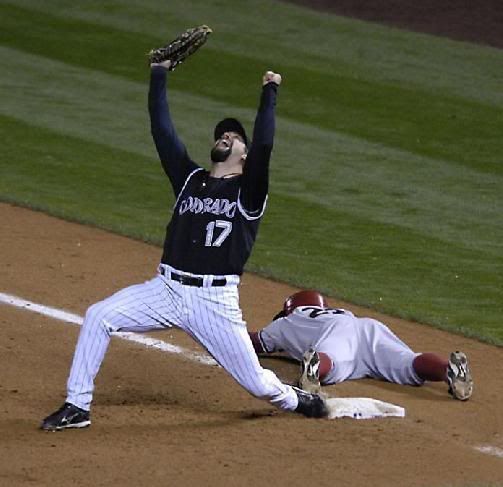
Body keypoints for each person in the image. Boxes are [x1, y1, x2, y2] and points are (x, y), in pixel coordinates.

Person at [40, 61, 329, 431]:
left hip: (214, 302)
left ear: (245, 155)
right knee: (99, 316)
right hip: (166, 289)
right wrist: (159, 73)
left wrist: (269, 91)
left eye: (234, 136)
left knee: (257, 384)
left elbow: (267, 144)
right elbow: (162, 131)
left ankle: (297, 400)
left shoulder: (249, 192)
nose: (225, 136)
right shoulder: (189, 179)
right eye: (222, 134)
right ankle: (77, 407)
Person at [249, 290, 474, 401]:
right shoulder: (334, 312)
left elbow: (255, 342)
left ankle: (316, 366)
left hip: (337, 336)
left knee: (333, 361)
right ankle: (448, 369)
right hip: (366, 327)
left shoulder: (285, 322)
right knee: (408, 361)